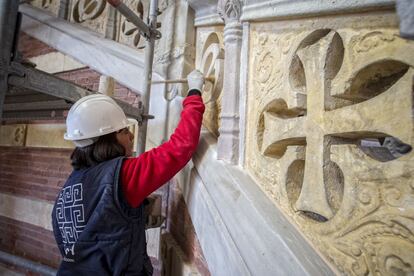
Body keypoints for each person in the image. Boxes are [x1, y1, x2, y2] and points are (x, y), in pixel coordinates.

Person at [51, 70, 205, 275]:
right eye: (123, 131)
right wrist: (194, 93)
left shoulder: (67, 190)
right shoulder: (123, 175)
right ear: (106, 139)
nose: (131, 135)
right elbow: (180, 147)